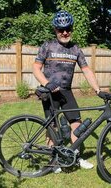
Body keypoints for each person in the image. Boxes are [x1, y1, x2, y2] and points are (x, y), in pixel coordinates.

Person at [33, 10, 101, 173]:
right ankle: (53, 161)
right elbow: (36, 68)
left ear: (71, 29)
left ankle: (76, 156)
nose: (64, 32)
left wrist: (98, 90)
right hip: (50, 93)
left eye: (68, 29)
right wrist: (46, 83)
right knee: (53, 128)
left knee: (77, 125)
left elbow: (86, 70)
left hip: (66, 92)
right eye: (60, 30)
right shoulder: (47, 46)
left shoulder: (76, 49)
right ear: (55, 30)